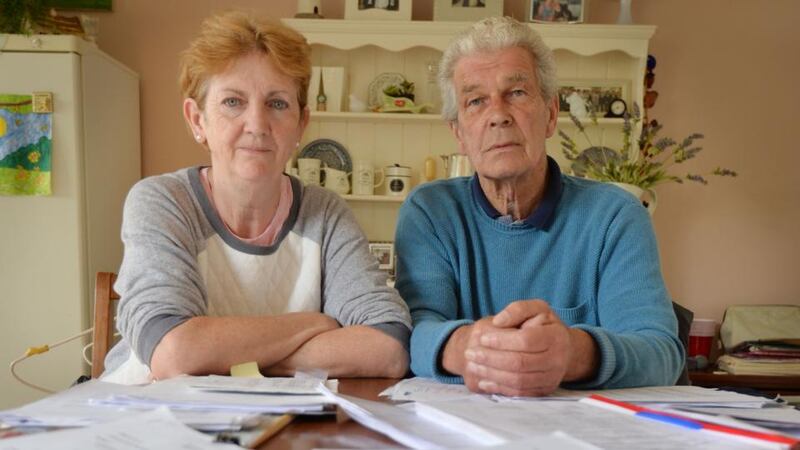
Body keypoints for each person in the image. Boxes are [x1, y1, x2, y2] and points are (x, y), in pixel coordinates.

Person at [102, 10, 411, 384]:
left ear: (301, 124)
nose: (257, 124)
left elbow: (388, 346)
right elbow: (174, 354)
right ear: (198, 120)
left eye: (277, 103)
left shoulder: (324, 213)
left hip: (276, 426)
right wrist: (315, 324)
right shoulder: (163, 202)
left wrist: (231, 357)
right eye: (233, 102)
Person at [394, 17, 683, 397]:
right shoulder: (430, 212)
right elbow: (413, 332)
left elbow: (660, 352)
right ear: (459, 133)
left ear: (550, 114)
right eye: (476, 101)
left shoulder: (616, 216)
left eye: (516, 92)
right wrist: (468, 347)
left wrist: (574, 352)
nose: (498, 114)